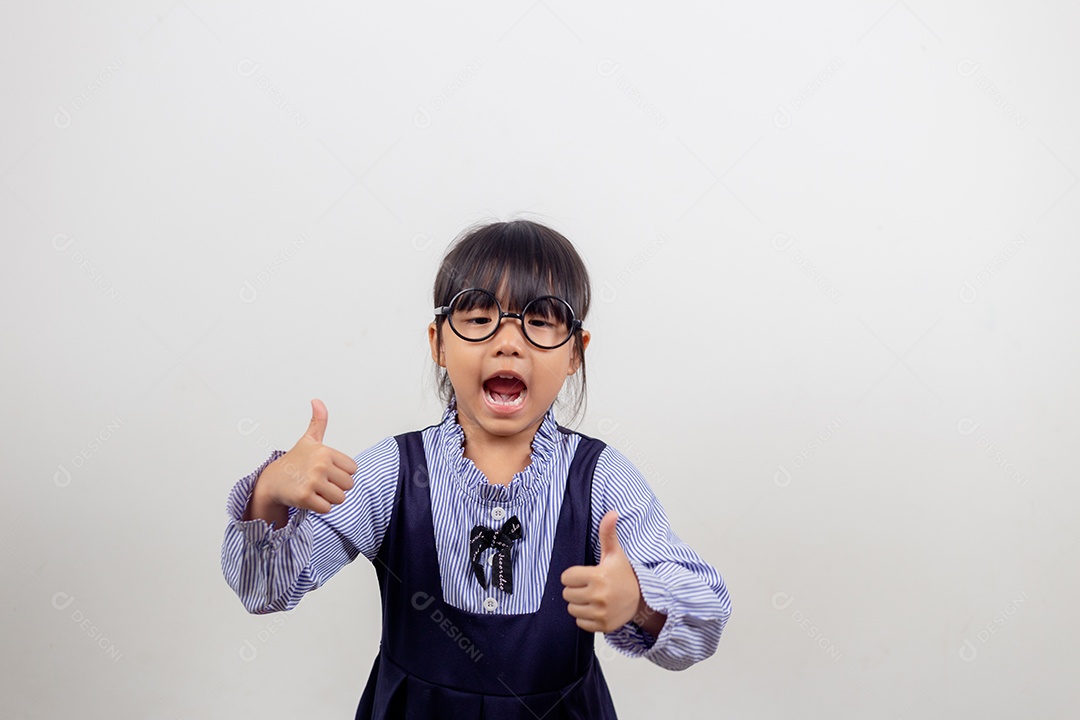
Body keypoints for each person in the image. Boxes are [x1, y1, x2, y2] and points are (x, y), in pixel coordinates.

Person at [221, 219, 732, 719]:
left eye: (540, 320)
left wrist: (639, 603)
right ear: (439, 342)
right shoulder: (391, 473)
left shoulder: (599, 479)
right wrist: (270, 493)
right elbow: (264, 591)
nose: (508, 342)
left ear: (576, 350)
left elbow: (706, 620)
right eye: (478, 316)